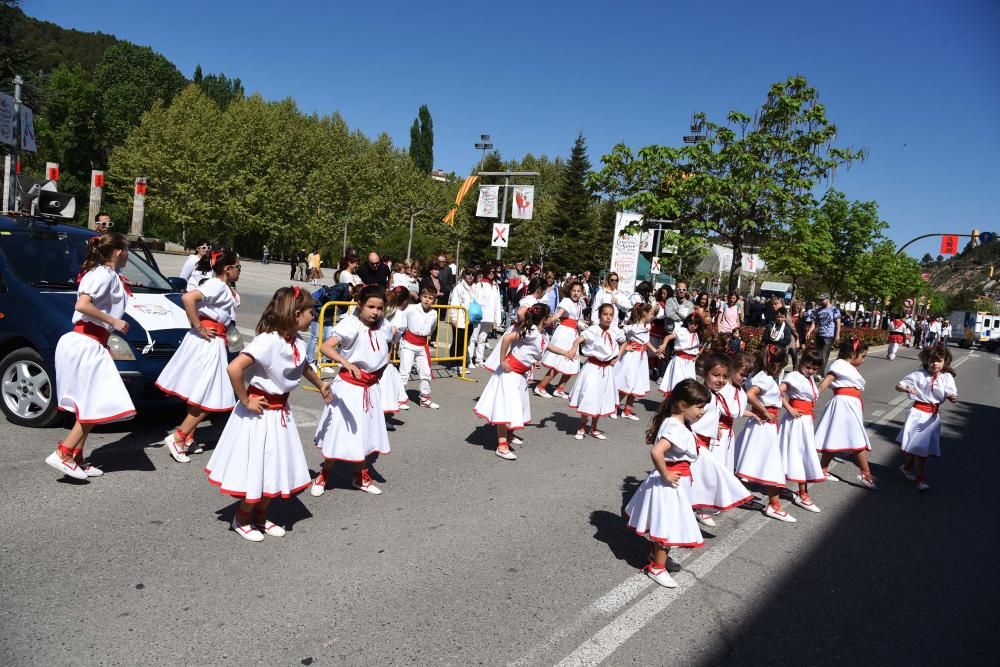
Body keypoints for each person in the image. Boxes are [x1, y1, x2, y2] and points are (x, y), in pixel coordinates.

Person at [206, 286, 332, 541]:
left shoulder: (296, 340)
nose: (313, 316)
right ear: (296, 314)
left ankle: (261, 516)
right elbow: (234, 368)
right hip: (260, 414)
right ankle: (242, 517)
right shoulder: (269, 341)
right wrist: (245, 399)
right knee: (260, 466)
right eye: (310, 312)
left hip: (280, 413)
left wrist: (320, 385)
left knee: (274, 466)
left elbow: (302, 365)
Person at [44, 233, 136, 480]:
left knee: (87, 402)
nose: (128, 254)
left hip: (89, 342)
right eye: (126, 250)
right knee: (95, 401)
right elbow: (82, 305)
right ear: (118, 252)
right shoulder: (103, 275)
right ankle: (63, 453)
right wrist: (114, 321)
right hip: (86, 342)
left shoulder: (106, 275)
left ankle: (76, 456)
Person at [155, 250, 242, 461]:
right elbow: (188, 298)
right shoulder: (217, 285)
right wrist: (199, 326)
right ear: (227, 268)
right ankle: (179, 436)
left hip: (215, 341)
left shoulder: (225, 288)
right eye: (238, 267)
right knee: (211, 393)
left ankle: (188, 436)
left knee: (201, 391)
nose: (240, 271)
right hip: (208, 342)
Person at [623, 379, 709, 588]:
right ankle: (656, 568)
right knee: (667, 526)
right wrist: (666, 474)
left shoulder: (678, 423)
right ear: (682, 405)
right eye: (699, 407)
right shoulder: (676, 428)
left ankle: (657, 557)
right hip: (670, 484)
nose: (702, 411)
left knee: (667, 523)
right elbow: (657, 451)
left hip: (676, 483)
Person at [311, 285, 392, 496]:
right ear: (360, 305)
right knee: (339, 432)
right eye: (371, 307)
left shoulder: (384, 325)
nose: (375, 312)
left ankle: (360, 477)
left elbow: (388, 347)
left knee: (363, 433)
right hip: (349, 388)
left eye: (380, 308)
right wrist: (345, 362)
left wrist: (381, 370)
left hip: (370, 388)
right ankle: (324, 475)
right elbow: (326, 347)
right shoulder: (350, 324)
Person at [473, 304, 555, 461]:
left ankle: (508, 435)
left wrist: (565, 352)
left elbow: (539, 349)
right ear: (544, 319)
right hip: (509, 372)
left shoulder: (541, 334)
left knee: (517, 407)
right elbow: (507, 338)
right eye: (550, 315)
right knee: (504, 408)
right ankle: (501, 446)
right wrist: (502, 359)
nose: (552, 318)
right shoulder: (530, 331)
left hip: (520, 375)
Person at [734, 344, 797, 522]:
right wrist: (764, 410)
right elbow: (750, 395)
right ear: (772, 363)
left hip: (765, 425)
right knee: (772, 466)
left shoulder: (767, 377)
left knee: (751, 461)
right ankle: (774, 505)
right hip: (764, 425)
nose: (781, 368)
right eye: (780, 365)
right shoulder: (764, 379)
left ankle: (740, 494)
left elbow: (775, 396)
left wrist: (786, 408)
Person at [688, 354, 753, 526]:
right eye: (716, 375)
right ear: (705, 373)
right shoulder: (705, 396)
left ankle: (703, 505)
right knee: (703, 475)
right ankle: (699, 509)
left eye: (724, 376)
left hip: (716, 438)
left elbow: (718, 413)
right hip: (698, 443)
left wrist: (714, 427)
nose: (721, 380)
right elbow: (690, 419)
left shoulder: (716, 394)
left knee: (713, 472)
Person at [814, 337, 876, 488]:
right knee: (857, 439)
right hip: (844, 404)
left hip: (850, 404)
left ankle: (822, 468)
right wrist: (812, 399)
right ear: (853, 353)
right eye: (863, 356)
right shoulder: (839, 364)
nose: (863, 360)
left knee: (834, 436)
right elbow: (825, 382)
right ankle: (866, 473)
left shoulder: (847, 366)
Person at [896, 344, 959, 491]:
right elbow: (898, 385)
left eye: (939, 360)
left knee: (920, 447)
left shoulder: (947, 377)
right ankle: (920, 479)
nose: (934, 363)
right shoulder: (919, 374)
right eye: (932, 360)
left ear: (945, 362)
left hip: (933, 417)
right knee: (920, 448)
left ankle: (906, 467)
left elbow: (951, 393)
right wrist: (905, 388)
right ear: (927, 360)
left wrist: (952, 397)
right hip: (918, 414)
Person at [777, 347, 826, 512]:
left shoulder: (810, 378)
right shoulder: (794, 376)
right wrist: (789, 408)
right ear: (802, 362)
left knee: (800, 453)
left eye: (814, 368)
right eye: (808, 367)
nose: (811, 370)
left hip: (805, 422)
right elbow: (778, 392)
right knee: (798, 454)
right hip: (795, 421)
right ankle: (803, 493)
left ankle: (792, 488)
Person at [569, 303, 625, 440]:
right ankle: (582, 425)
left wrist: (617, 358)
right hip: (592, 368)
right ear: (599, 315)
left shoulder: (615, 331)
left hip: (607, 369)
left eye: (611, 315)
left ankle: (594, 427)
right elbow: (578, 340)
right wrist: (573, 349)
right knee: (588, 395)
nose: (608, 317)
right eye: (605, 314)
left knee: (602, 397)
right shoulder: (593, 329)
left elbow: (624, 343)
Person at [536, 281, 586, 398]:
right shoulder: (567, 301)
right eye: (573, 290)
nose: (576, 293)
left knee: (572, 361)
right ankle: (541, 386)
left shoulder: (579, 303)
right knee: (558, 361)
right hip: (564, 333)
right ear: (569, 291)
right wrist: (544, 323)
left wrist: (580, 324)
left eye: (578, 291)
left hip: (573, 333)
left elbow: (576, 318)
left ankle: (560, 388)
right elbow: (558, 315)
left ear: (582, 292)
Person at [613, 303, 660, 419]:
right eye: (651, 314)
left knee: (636, 384)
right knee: (627, 382)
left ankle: (627, 410)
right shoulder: (633, 327)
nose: (652, 316)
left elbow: (645, 341)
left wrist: (654, 350)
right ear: (644, 314)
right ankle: (613, 407)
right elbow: (617, 334)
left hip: (642, 358)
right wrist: (625, 346)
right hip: (632, 358)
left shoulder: (646, 326)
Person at [399, 286, 440, 409]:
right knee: (404, 372)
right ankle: (399, 399)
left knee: (425, 373)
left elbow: (432, 328)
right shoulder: (411, 309)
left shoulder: (434, 313)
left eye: (430, 298)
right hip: (408, 344)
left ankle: (425, 399)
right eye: (425, 297)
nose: (427, 300)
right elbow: (400, 317)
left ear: (434, 300)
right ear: (421, 297)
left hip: (422, 345)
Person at [379, 286, 412, 424]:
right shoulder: (399, 316)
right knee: (383, 384)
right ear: (404, 302)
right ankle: (381, 416)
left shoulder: (383, 310)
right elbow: (393, 339)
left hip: (374, 350)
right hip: (384, 354)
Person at [716, 351, 753, 472]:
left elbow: (737, 411)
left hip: (728, 433)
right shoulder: (721, 387)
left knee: (725, 467)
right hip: (717, 432)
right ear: (732, 369)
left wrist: (753, 414)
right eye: (742, 374)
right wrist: (713, 424)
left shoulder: (740, 392)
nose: (744, 378)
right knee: (716, 465)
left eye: (747, 376)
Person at [657, 313, 704, 397]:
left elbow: (699, 348)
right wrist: (664, 345)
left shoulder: (698, 334)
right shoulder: (682, 331)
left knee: (689, 386)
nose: (693, 326)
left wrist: (696, 357)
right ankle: (671, 407)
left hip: (690, 364)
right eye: (691, 323)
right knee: (677, 384)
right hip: (679, 361)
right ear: (687, 323)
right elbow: (668, 337)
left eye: (695, 324)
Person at [469, 269, 502, 368]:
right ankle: (469, 359)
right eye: (489, 271)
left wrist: (497, 318)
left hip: (489, 316)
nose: (491, 273)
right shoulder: (480, 284)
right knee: (473, 338)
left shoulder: (495, 286)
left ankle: (479, 359)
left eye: (493, 271)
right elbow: (475, 300)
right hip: (479, 315)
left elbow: (497, 303)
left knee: (482, 338)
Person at [448, 268, 477, 363]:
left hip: (471, 319)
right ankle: (453, 363)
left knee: (465, 342)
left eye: (473, 274)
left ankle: (460, 362)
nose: (471, 276)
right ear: (464, 275)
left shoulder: (475, 287)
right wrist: (453, 318)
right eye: (468, 273)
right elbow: (454, 304)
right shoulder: (459, 287)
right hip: (460, 319)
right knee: (458, 342)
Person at [807, 295, 841, 371]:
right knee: (818, 355)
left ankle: (820, 373)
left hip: (829, 335)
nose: (821, 301)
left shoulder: (834, 309)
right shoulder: (818, 310)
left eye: (822, 300)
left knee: (824, 355)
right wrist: (809, 331)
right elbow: (814, 323)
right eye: (820, 300)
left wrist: (837, 335)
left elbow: (838, 323)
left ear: (828, 299)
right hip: (819, 335)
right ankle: (817, 370)